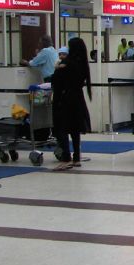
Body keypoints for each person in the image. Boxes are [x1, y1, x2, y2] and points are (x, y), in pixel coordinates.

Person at [51, 37, 91, 171]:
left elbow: (56, 81)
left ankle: (66, 157)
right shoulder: (83, 64)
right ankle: (77, 157)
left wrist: (58, 69)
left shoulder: (67, 64)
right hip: (77, 99)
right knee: (75, 128)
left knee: (62, 127)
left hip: (64, 98)